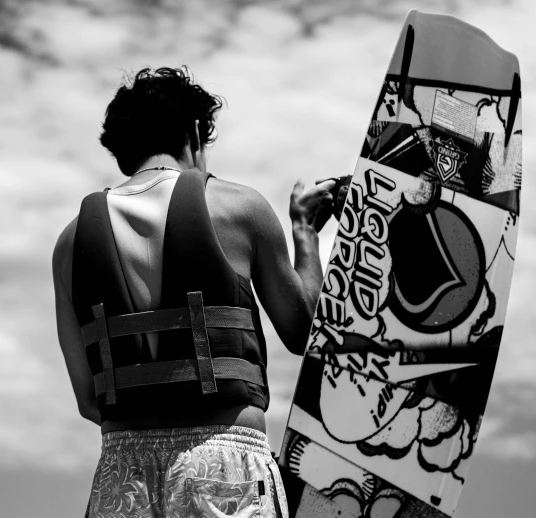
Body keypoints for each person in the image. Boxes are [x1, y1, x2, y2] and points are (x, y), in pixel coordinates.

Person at [52, 67, 337, 518]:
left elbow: (90, 401)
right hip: (223, 469)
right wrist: (305, 232)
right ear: (194, 134)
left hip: (120, 476)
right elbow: (305, 331)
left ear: (124, 152)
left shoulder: (69, 244)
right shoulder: (238, 207)